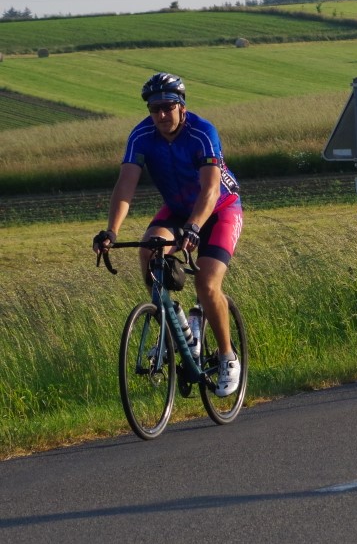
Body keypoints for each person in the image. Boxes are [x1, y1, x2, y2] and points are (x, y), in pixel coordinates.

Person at [92, 73, 244, 395]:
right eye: (154, 109)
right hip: (177, 209)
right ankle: (179, 327)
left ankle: (228, 356)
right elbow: (125, 185)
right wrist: (111, 231)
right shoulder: (141, 136)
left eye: (167, 107)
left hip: (219, 210)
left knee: (206, 284)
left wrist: (195, 226)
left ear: (181, 106)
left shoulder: (202, 133)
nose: (161, 115)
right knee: (149, 251)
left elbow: (210, 189)